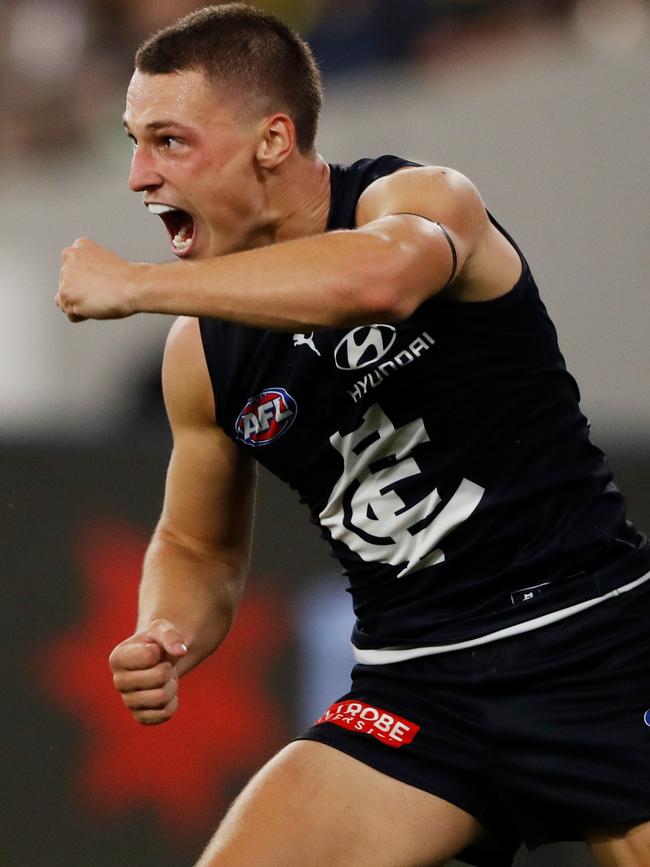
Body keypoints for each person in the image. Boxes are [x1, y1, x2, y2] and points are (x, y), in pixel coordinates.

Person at [55, 4, 650, 866]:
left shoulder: (415, 197)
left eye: (169, 141)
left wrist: (138, 284)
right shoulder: (202, 354)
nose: (140, 175)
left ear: (272, 140)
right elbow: (197, 542)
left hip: (588, 641)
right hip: (417, 687)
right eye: (134, 142)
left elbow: (379, 279)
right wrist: (165, 630)